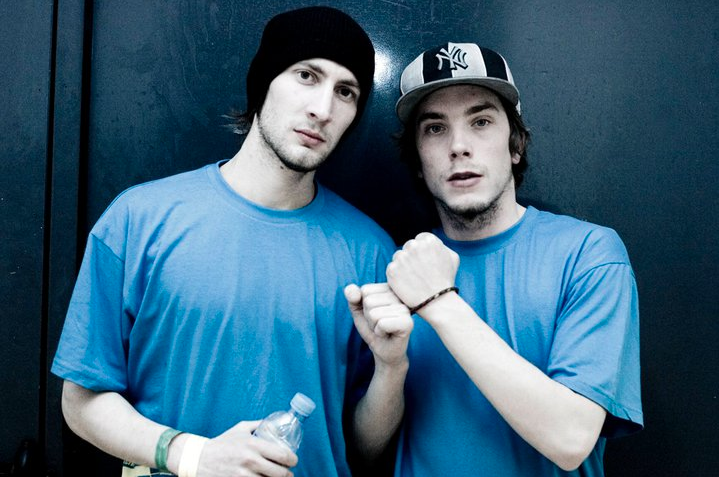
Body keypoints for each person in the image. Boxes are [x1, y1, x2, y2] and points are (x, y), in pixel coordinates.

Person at [51, 7, 411, 477]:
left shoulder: (370, 252)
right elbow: (81, 401)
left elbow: (361, 448)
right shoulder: (139, 220)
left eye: (346, 92)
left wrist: (391, 367)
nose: (323, 109)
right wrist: (193, 456)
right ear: (263, 83)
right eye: (306, 75)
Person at [362, 42, 644, 476]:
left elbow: (571, 440)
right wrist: (390, 366)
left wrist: (439, 302)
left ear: (515, 145)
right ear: (417, 159)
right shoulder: (401, 267)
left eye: (481, 122)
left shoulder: (588, 254)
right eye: (435, 128)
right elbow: (364, 452)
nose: (459, 146)